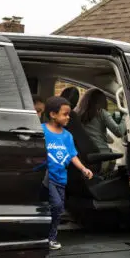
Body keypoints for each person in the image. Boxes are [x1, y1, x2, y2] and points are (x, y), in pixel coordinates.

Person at [42, 96, 93, 250]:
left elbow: (72, 155)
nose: (68, 117)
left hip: (61, 178)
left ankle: (52, 236)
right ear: (53, 114)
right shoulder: (42, 131)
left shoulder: (67, 136)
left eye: (69, 114)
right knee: (56, 205)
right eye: (65, 114)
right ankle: (48, 237)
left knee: (58, 209)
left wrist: (84, 168)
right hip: (47, 177)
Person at [76, 88, 127, 174]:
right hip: (102, 157)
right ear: (101, 101)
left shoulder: (76, 114)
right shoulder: (101, 112)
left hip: (84, 157)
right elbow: (119, 132)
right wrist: (126, 115)